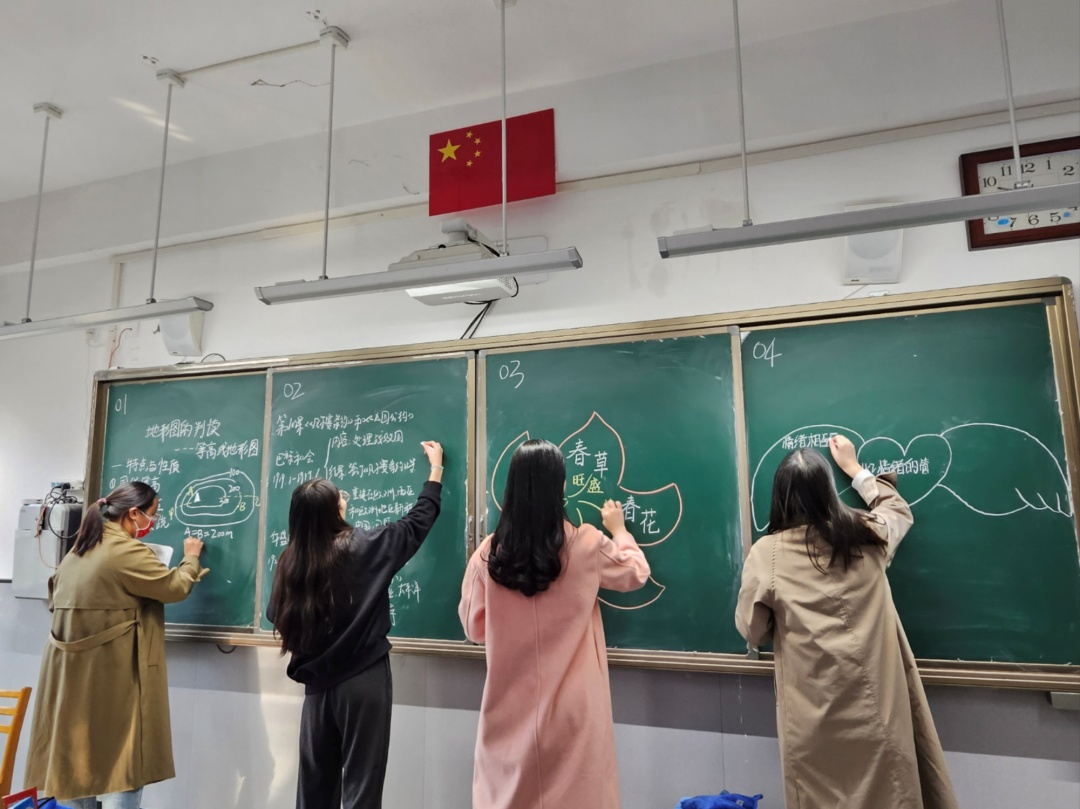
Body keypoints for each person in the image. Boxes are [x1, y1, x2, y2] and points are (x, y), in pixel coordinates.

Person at [736, 435, 959, 809]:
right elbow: (897, 511)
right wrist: (854, 469)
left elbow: (753, 631)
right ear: (828, 491)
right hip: (879, 710)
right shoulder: (867, 535)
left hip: (812, 722)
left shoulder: (767, 554)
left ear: (779, 497)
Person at [459, 438, 651, 809]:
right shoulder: (587, 544)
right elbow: (635, 573)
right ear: (559, 486)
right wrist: (620, 530)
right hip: (573, 712)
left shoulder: (488, 554)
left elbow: (475, 629)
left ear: (512, 488)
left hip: (508, 708)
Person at [267, 441, 444, 809]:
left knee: (314, 789)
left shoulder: (289, 562)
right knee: (362, 786)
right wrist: (435, 472)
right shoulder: (364, 545)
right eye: (340, 499)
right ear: (335, 511)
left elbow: (275, 616)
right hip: (364, 680)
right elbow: (416, 523)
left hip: (316, 688)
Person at [23, 481, 208, 809]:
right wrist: (191, 558)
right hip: (115, 682)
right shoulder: (124, 551)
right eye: (153, 514)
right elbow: (175, 587)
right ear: (133, 513)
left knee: (76, 772)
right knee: (124, 765)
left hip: (71, 687)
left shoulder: (76, 553)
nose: (153, 522)